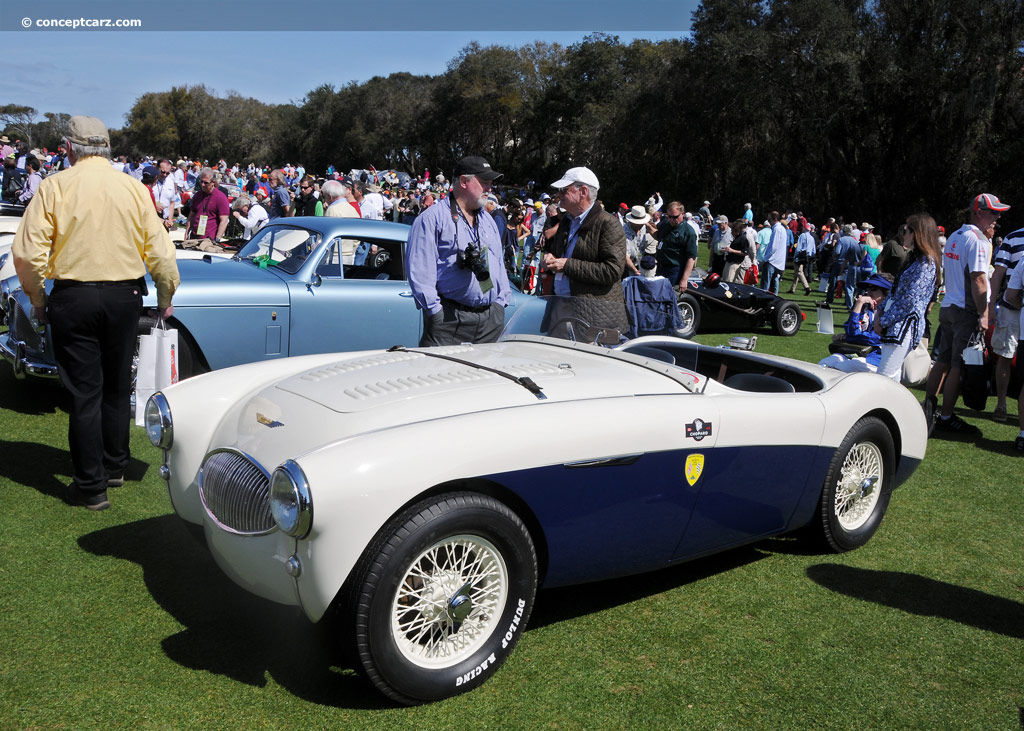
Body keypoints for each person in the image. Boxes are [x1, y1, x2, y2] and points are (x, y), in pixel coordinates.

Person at [11, 116, 180, 510]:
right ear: (105, 148)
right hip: (125, 295)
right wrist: (166, 292)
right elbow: (161, 250)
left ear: (69, 149)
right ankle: (115, 464)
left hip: (74, 295)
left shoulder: (55, 186)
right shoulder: (133, 187)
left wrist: (37, 299)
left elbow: (27, 253)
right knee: (117, 383)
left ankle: (90, 485)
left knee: (85, 390)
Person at [924, 193, 1009, 435]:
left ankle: (928, 411)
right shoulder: (978, 240)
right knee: (956, 366)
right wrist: (983, 313)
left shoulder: (955, 235)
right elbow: (979, 280)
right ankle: (946, 418)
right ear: (979, 212)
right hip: (965, 310)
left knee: (941, 361)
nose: (997, 219)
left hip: (949, 306)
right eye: (994, 213)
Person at [405, 156, 510, 346]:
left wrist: (500, 303)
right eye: (484, 182)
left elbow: (498, 264)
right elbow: (419, 273)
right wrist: (435, 312)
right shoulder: (432, 219)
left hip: (489, 321)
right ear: (463, 181)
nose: (489, 188)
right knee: (440, 375)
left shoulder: (487, 220)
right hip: (449, 320)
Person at [542, 166, 629, 334]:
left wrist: (567, 265)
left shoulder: (608, 224)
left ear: (583, 192)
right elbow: (560, 254)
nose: (559, 195)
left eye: (564, 190)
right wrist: (550, 257)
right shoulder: (567, 220)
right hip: (561, 308)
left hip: (592, 318)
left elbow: (613, 270)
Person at [873, 213, 941, 382]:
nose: (905, 234)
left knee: (884, 378)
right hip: (895, 324)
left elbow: (909, 300)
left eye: (908, 230)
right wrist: (879, 313)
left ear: (918, 234)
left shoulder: (926, 264)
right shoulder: (915, 260)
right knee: (891, 377)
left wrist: (884, 319)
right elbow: (896, 293)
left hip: (903, 327)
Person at [986, 225, 1024, 422]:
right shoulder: (1013, 237)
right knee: (1005, 355)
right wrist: (991, 306)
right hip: (1010, 308)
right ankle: (1001, 404)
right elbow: (998, 274)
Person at [818, 273, 893, 374]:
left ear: (886, 293)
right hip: (855, 353)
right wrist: (859, 304)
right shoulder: (865, 309)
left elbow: (872, 338)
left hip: (877, 359)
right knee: (823, 364)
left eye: (873, 289)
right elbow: (851, 331)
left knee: (843, 367)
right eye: (868, 288)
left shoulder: (890, 312)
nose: (868, 292)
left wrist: (848, 337)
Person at [653, 201, 698, 292]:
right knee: (657, 295)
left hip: (675, 270)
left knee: (669, 297)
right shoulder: (665, 224)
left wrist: (684, 279)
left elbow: (691, 257)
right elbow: (657, 235)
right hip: (660, 267)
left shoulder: (688, 232)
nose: (672, 219)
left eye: (675, 217)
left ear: (682, 214)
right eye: (669, 216)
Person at [187, 167, 230, 244]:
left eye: (206, 182)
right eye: (201, 181)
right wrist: (186, 233)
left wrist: (217, 239)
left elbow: (224, 221)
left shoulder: (220, 197)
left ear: (213, 182)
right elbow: (191, 216)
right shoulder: (197, 195)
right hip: (193, 238)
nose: (203, 185)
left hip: (209, 240)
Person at [760, 211, 788, 294]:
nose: (769, 222)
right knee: (774, 282)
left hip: (772, 260)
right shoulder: (782, 228)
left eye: (769, 220)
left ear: (774, 219)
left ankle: (764, 299)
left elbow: (773, 246)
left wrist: (765, 259)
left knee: (766, 284)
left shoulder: (777, 229)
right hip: (778, 260)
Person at [789, 223, 817, 295]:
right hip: (808, 256)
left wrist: (795, 256)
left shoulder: (802, 235)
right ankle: (792, 288)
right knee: (797, 272)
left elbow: (799, 246)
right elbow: (814, 249)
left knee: (799, 272)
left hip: (801, 256)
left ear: (804, 228)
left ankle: (807, 287)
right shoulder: (811, 237)